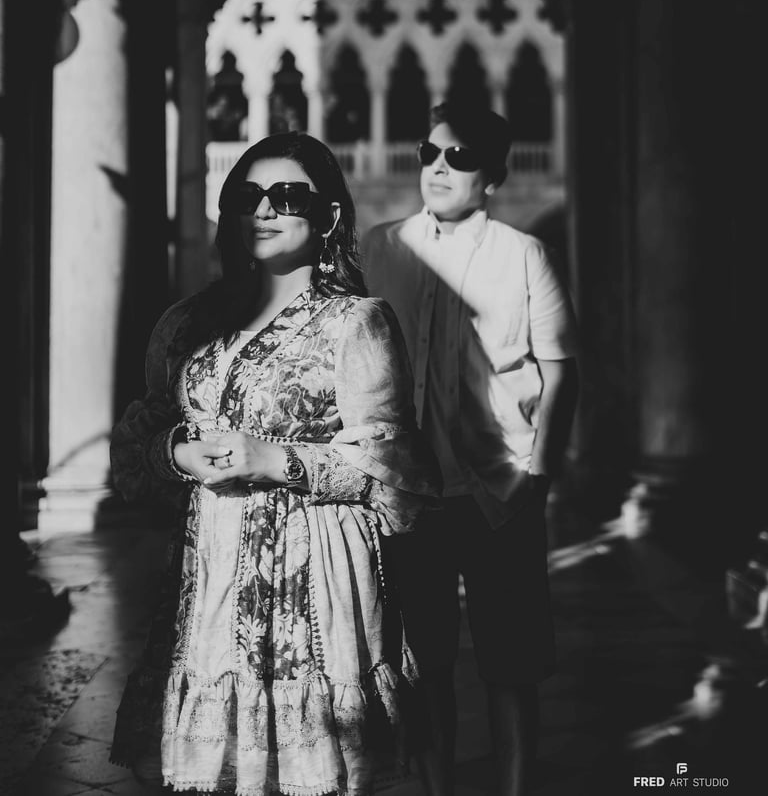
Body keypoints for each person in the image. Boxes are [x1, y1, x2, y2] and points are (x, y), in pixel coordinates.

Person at [109, 132, 439, 795]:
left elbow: (400, 475)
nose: (263, 208)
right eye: (246, 195)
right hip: (206, 579)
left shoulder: (358, 323)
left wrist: (278, 459)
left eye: (286, 196)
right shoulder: (186, 323)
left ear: (329, 217)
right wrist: (175, 451)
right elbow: (132, 445)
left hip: (312, 579)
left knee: (307, 776)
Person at [362, 102, 580, 796]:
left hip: (499, 492)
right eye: (430, 152)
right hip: (410, 498)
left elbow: (561, 368)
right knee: (422, 667)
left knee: (511, 667)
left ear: (493, 175)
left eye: (457, 157)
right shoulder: (379, 249)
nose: (438, 167)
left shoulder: (525, 254)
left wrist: (539, 472)